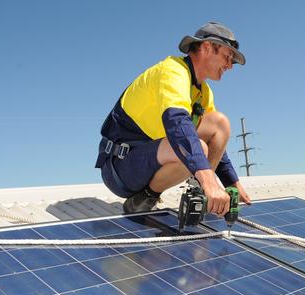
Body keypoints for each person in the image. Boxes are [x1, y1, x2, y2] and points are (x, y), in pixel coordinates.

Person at [95, 21, 251, 217]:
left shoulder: (203, 92)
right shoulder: (172, 71)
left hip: (154, 158)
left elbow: (216, 145)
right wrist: (209, 179)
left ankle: (202, 194)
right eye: (227, 57)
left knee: (220, 124)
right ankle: (144, 198)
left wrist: (232, 184)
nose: (229, 66)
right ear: (206, 47)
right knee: (197, 148)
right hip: (121, 167)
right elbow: (177, 123)